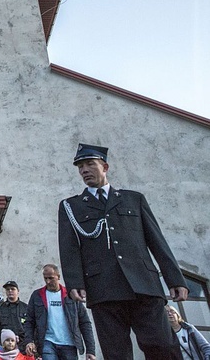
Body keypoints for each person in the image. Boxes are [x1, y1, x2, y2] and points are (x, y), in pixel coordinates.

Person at [58, 143, 189, 360]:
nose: (84, 170)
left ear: (105, 167)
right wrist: (75, 283)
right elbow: (69, 248)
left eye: (90, 164)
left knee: (163, 346)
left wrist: (176, 279)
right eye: (80, 167)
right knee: (116, 353)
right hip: (104, 289)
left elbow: (157, 241)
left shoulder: (133, 199)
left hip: (144, 286)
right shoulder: (71, 206)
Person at [22, 263, 95, 360]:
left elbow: (84, 322)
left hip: (69, 344)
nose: (48, 281)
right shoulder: (37, 295)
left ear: (58, 277)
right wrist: (29, 341)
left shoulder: (70, 296)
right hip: (47, 342)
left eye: (51, 278)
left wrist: (91, 350)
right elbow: (29, 321)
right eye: (45, 278)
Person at [0, 281, 27, 350]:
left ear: (18, 291)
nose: (10, 291)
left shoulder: (26, 308)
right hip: (5, 346)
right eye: (8, 289)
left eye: (12, 289)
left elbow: (30, 327)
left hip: (22, 346)